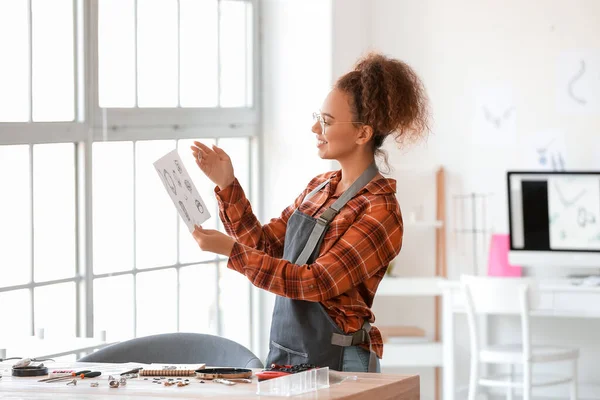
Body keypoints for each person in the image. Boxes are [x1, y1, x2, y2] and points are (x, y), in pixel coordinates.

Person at [190, 52, 430, 373]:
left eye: (328, 121)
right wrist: (227, 184)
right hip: (288, 357)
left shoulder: (380, 211)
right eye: (319, 116)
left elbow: (315, 283)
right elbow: (265, 245)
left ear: (362, 134)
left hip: (340, 366)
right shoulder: (319, 187)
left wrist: (232, 252)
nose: (315, 127)